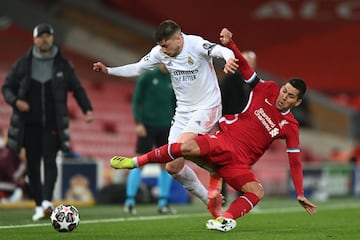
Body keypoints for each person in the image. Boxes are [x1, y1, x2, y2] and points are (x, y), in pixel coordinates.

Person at [109, 27, 317, 232]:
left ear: (297, 103)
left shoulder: (290, 126)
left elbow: (295, 161)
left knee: (257, 191)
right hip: (224, 141)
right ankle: (135, 162)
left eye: (290, 96)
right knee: (185, 147)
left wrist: (300, 192)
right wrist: (231, 45)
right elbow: (245, 68)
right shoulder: (268, 89)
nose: (283, 97)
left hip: (241, 163)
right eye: (284, 91)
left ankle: (224, 219)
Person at [93, 20, 237, 217]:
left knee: (183, 145)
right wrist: (109, 70)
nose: (163, 50)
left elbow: (220, 50)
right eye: (160, 46)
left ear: (178, 38)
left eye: (166, 45)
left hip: (207, 106)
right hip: (183, 111)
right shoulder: (159, 53)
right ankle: (210, 200)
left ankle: (215, 169)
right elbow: (137, 68)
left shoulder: (195, 44)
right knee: (172, 166)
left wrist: (229, 59)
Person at [2, 23, 94, 221]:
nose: (44, 39)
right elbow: (7, 87)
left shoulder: (63, 65)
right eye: (40, 36)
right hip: (28, 124)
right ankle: (38, 206)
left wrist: (87, 109)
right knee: (33, 165)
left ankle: (46, 202)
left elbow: (77, 89)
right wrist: (16, 101)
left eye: (47, 36)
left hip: (53, 124)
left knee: (50, 161)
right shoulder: (23, 64)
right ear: (34, 39)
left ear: (52, 38)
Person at [125, 64, 176, 215]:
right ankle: (129, 201)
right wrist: (138, 122)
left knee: (166, 165)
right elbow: (136, 100)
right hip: (147, 125)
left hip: (166, 126)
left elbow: (176, 103)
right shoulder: (148, 77)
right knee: (139, 162)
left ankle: (163, 203)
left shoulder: (174, 78)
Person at [219, 49, 257, 202]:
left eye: (252, 62)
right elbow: (220, 101)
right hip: (230, 125)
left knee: (245, 160)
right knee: (224, 159)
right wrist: (223, 123)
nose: (250, 64)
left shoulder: (254, 81)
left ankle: (243, 192)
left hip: (246, 127)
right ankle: (222, 194)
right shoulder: (230, 79)